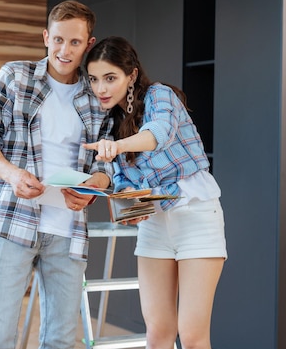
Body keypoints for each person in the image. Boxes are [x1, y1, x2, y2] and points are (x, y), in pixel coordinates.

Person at [0, 0, 113, 349]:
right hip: (12, 222)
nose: (65, 50)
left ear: (88, 44)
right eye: (59, 40)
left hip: (68, 230)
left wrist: (95, 186)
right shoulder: (15, 77)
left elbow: (106, 163)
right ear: (46, 37)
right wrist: (13, 175)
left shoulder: (97, 94)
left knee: (61, 340)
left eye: (75, 43)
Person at [83, 36, 226, 349]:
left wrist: (118, 146)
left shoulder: (161, 96)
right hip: (155, 226)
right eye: (94, 79)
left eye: (110, 78)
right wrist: (131, 208)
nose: (101, 89)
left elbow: (157, 135)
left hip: (196, 217)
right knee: (158, 333)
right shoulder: (109, 123)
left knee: (191, 335)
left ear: (131, 75)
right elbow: (123, 182)